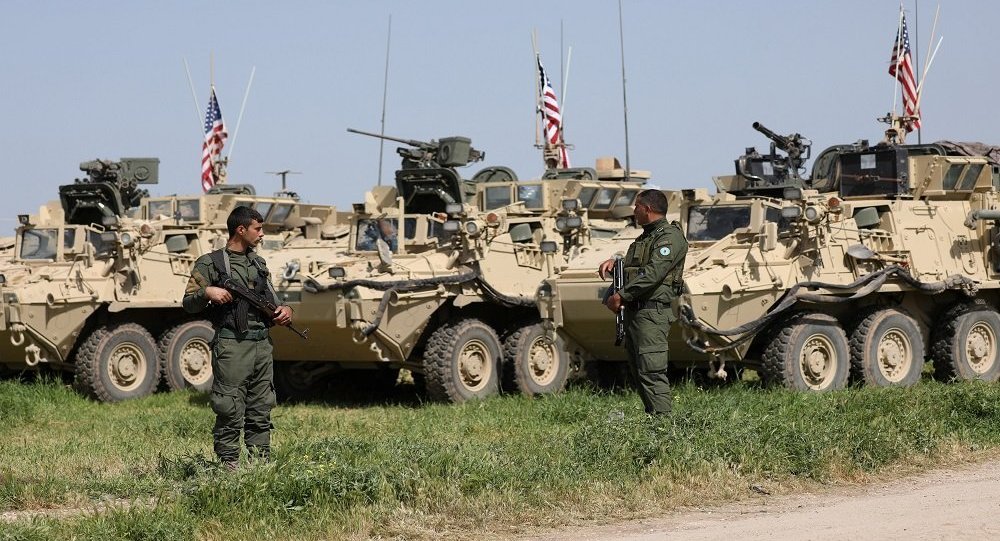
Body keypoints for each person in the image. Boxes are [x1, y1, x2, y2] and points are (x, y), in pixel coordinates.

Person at [182, 206, 293, 469]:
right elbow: (188, 303)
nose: (262, 234)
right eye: (258, 229)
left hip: (262, 345)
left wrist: (286, 310)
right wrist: (207, 292)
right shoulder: (210, 263)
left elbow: (274, 300)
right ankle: (229, 464)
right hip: (232, 344)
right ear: (241, 230)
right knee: (229, 406)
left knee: (261, 406)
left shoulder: (259, 263)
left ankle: (260, 463)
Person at [598, 189, 688, 415]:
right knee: (639, 372)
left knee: (652, 372)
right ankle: (653, 421)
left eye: (636, 206)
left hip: (651, 315)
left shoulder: (669, 237)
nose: (634, 211)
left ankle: (663, 426)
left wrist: (621, 296)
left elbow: (653, 273)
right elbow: (635, 269)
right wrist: (616, 264)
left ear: (647, 209)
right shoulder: (645, 238)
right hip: (636, 314)